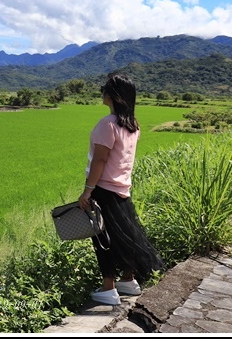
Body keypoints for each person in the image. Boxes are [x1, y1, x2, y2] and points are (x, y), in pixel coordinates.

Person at [79, 73, 164, 306]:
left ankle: (109, 289)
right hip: (122, 190)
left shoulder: (108, 124)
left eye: (105, 89)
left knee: (103, 239)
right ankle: (129, 280)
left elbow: (99, 161)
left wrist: (87, 191)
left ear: (114, 96)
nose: (102, 92)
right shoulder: (133, 126)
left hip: (104, 190)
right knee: (125, 236)